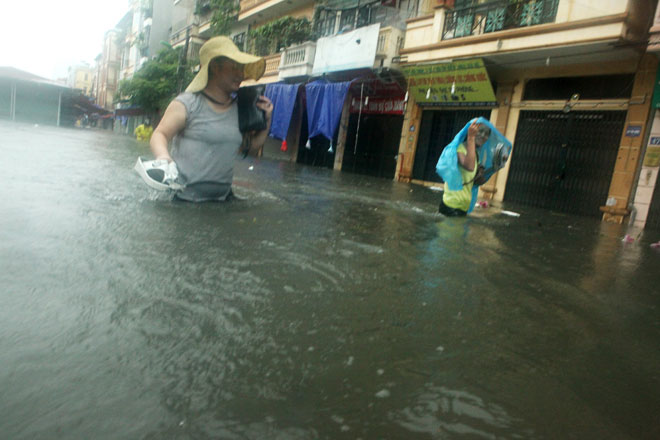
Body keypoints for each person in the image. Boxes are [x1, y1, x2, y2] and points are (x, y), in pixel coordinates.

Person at [149, 36, 273, 202]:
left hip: (223, 201)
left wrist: (266, 122)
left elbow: (248, 148)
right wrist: (163, 157)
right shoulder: (187, 103)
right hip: (183, 200)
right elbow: (160, 135)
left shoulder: (240, 109)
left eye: (242, 68)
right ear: (215, 67)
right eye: (235, 67)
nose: (241, 74)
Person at [439, 121, 490, 216]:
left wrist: (494, 166)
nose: (483, 135)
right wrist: (471, 138)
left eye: (487, 134)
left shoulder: (476, 155)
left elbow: (477, 181)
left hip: (464, 206)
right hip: (451, 205)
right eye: (480, 131)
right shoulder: (458, 149)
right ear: (471, 131)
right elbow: (469, 167)